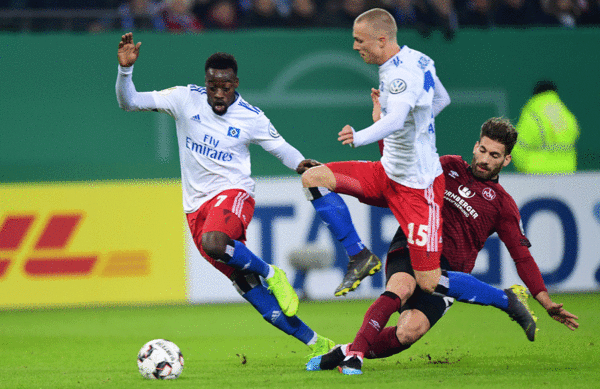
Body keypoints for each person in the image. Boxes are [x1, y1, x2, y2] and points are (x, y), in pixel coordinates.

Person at [115, 32, 332, 358]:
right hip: (195, 208)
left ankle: (273, 272)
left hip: (234, 194)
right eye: (212, 87)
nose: (218, 94)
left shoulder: (251, 116)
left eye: (225, 87)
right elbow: (129, 102)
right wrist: (125, 71)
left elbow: (281, 148)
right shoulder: (185, 98)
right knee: (250, 290)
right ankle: (320, 345)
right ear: (206, 82)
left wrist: (303, 164)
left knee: (216, 243)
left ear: (236, 83)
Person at [306, 117, 580, 375]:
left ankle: (345, 350)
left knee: (409, 332)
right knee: (400, 287)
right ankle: (356, 355)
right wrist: (336, 178)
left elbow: (521, 257)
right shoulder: (446, 166)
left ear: (506, 159)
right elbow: (400, 181)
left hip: (449, 271)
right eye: (482, 150)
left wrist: (544, 300)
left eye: (494, 155)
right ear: (476, 145)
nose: (484, 159)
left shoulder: (503, 205)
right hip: (413, 240)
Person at [301, 8, 516, 320]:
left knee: (428, 280)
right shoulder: (418, 59)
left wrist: (360, 135)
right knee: (314, 178)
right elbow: (441, 101)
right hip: (387, 172)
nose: (354, 46)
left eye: (360, 40)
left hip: (417, 188)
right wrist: (409, 128)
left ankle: (504, 299)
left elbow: (398, 118)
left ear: (382, 39)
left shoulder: (400, 76)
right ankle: (359, 256)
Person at [511, 80, 580, 174]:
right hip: (567, 172)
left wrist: (524, 169)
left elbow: (518, 147)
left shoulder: (533, 114)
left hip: (538, 173)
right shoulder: (567, 115)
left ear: (535, 94)